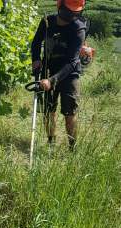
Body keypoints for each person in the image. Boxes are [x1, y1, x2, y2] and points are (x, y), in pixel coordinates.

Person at [31, 0, 86, 150]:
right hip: (48, 70)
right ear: (59, 6)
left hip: (69, 74)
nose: (71, 16)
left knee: (70, 112)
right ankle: (51, 143)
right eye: (68, 12)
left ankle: (72, 147)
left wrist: (52, 80)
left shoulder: (78, 29)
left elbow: (72, 61)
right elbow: (36, 42)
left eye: (75, 13)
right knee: (49, 110)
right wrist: (36, 59)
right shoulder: (47, 22)